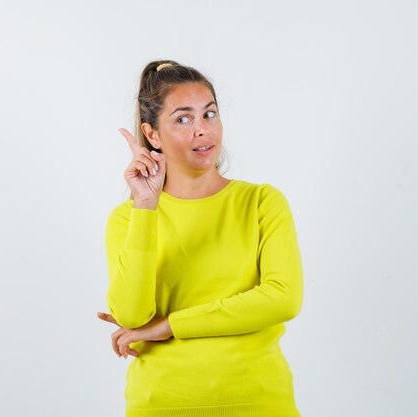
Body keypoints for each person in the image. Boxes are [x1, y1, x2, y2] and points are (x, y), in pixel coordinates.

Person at [97, 60, 304, 417]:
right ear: (152, 135)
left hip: (259, 403)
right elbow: (131, 314)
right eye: (183, 119)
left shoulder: (261, 202)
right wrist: (146, 205)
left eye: (209, 114)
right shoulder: (128, 219)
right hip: (161, 405)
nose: (202, 130)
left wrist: (170, 326)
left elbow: (283, 299)